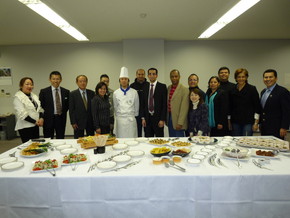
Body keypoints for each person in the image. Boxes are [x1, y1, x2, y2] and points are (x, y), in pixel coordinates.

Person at [259, 69, 290, 139]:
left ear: (276, 78)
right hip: (264, 128)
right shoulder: (263, 92)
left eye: (270, 77)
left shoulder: (283, 92)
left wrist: (284, 127)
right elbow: (263, 110)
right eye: (266, 77)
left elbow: (287, 111)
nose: (268, 79)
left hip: (277, 128)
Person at [229, 68, 260, 136]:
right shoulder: (232, 90)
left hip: (248, 122)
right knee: (235, 142)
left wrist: (256, 123)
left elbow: (257, 107)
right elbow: (230, 107)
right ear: (236, 78)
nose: (241, 79)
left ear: (246, 77)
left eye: (243, 77)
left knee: (246, 142)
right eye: (239, 77)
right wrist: (229, 122)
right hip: (235, 122)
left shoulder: (252, 89)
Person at [39, 71, 70, 139]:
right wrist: (41, 117)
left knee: (61, 138)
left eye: (57, 79)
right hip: (48, 119)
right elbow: (41, 106)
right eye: (53, 79)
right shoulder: (44, 92)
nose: (56, 81)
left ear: (61, 80)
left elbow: (67, 106)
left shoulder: (66, 92)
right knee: (48, 139)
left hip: (61, 119)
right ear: (50, 80)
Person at [13, 77, 44, 143]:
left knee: (36, 145)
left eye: (31, 84)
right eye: (27, 84)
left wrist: (41, 118)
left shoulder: (33, 96)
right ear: (21, 85)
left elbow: (39, 109)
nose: (30, 86)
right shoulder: (18, 97)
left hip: (35, 125)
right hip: (25, 127)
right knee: (28, 147)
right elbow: (22, 114)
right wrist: (35, 121)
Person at [113, 67, 139, 138]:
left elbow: (136, 107)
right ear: (119, 81)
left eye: (125, 79)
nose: (124, 81)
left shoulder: (134, 92)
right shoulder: (116, 93)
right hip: (120, 121)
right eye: (122, 79)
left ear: (128, 80)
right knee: (120, 140)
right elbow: (115, 107)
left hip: (130, 120)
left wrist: (133, 115)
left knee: (132, 139)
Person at [141, 68, 167, 137]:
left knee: (160, 139)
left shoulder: (162, 87)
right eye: (150, 74)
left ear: (156, 75)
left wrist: (162, 119)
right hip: (147, 119)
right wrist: (143, 118)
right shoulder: (145, 86)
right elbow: (143, 104)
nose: (151, 75)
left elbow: (164, 105)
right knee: (148, 139)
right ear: (148, 76)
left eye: (153, 74)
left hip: (158, 119)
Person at [167, 69, 189, 137]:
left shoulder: (184, 89)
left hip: (178, 120)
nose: (174, 78)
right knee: (171, 138)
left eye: (176, 76)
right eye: (172, 76)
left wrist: (180, 123)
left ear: (179, 77)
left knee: (179, 141)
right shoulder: (169, 87)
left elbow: (184, 108)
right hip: (170, 117)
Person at [130, 69, 148, 137]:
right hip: (136, 114)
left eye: (142, 74)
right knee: (137, 133)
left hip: (146, 114)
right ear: (136, 75)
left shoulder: (148, 85)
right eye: (139, 74)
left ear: (145, 75)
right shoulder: (132, 86)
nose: (141, 76)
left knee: (148, 133)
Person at [218, 66, 235, 135]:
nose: (223, 74)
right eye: (221, 73)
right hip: (218, 117)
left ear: (229, 74)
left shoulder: (234, 86)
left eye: (226, 72)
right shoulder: (215, 86)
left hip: (230, 118)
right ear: (218, 74)